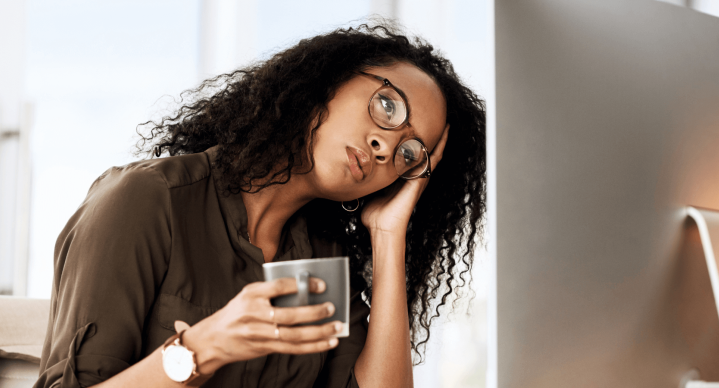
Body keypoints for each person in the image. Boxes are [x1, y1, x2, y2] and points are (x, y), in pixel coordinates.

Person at [34, 22, 486, 388]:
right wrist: (203, 347)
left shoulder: (325, 258)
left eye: (409, 154)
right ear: (329, 80)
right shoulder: (147, 202)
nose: (386, 147)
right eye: (387, 106)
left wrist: (389, 235)